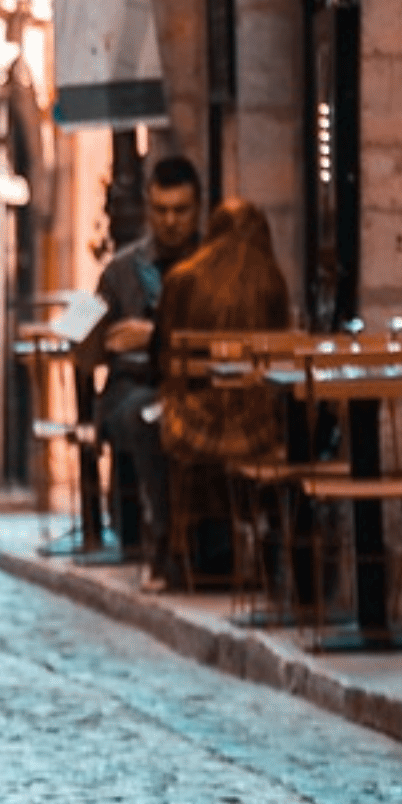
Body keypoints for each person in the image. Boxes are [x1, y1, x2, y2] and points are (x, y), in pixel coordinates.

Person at [74, 154, 204, 590]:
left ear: (197, 208)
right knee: (148, 418)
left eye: (181, 210)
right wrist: (86, 328)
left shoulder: (211, 265)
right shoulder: (121, 269)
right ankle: (161, 543)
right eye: (162, 210)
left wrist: (153, 335)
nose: (171, 221)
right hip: (132, 388)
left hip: (194, 385)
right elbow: (79, 334)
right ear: (149, 207)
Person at [151, 196, 295, 589]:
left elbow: (160, 359)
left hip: (194, 425)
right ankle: (260, 549)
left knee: (153, 425)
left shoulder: (181, 278)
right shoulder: (273, 282)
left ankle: (174, 551)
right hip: (257, 428)